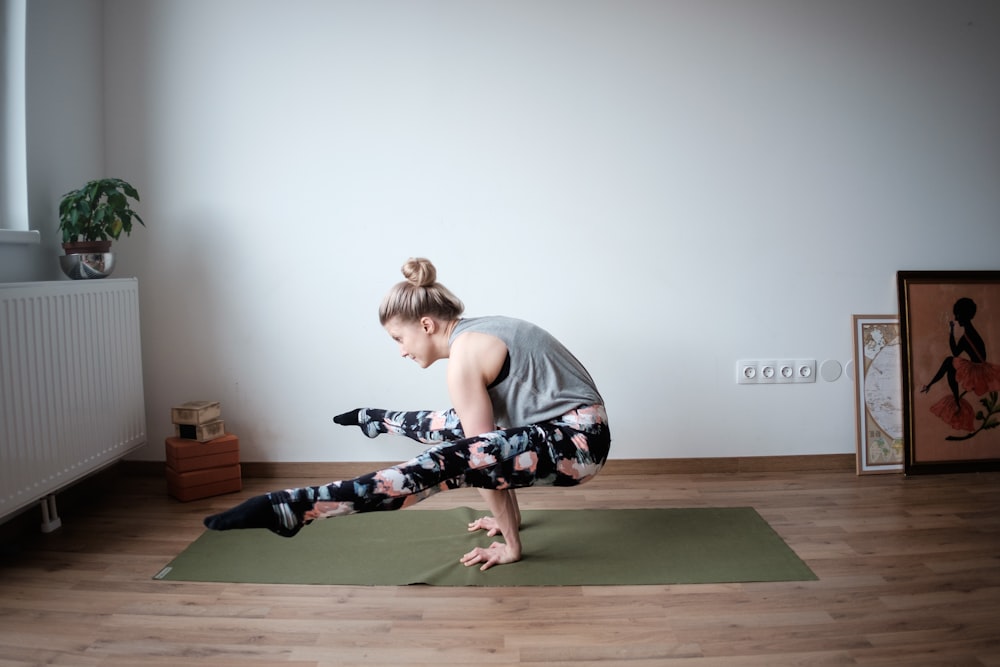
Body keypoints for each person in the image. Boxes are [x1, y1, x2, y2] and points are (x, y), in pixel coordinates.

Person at [204, 257, 611, 571]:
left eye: (399, 337)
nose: (400, 349)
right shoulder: (478, 331)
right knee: (451, 425)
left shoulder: (466, 357)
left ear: (427, 324)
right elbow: (494, 449)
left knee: (449, 460)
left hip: (579, 443)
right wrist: (507, 519)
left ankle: (300, 507)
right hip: (565, 431)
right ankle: (375, 418)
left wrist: (511, 543)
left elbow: (484, 456)